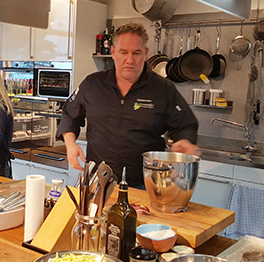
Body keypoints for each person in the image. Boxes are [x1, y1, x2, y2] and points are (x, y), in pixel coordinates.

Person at [56, 22, 199, 188]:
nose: (129, 60)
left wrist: (185, 141)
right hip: (97, 181)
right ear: (113, 52)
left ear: (145, 53)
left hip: (145, 184)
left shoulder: (163, 89)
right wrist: (70, 144)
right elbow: (69, 114)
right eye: (124, 52)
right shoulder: (93, 83)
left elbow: (186, 123)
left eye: (136, 53)